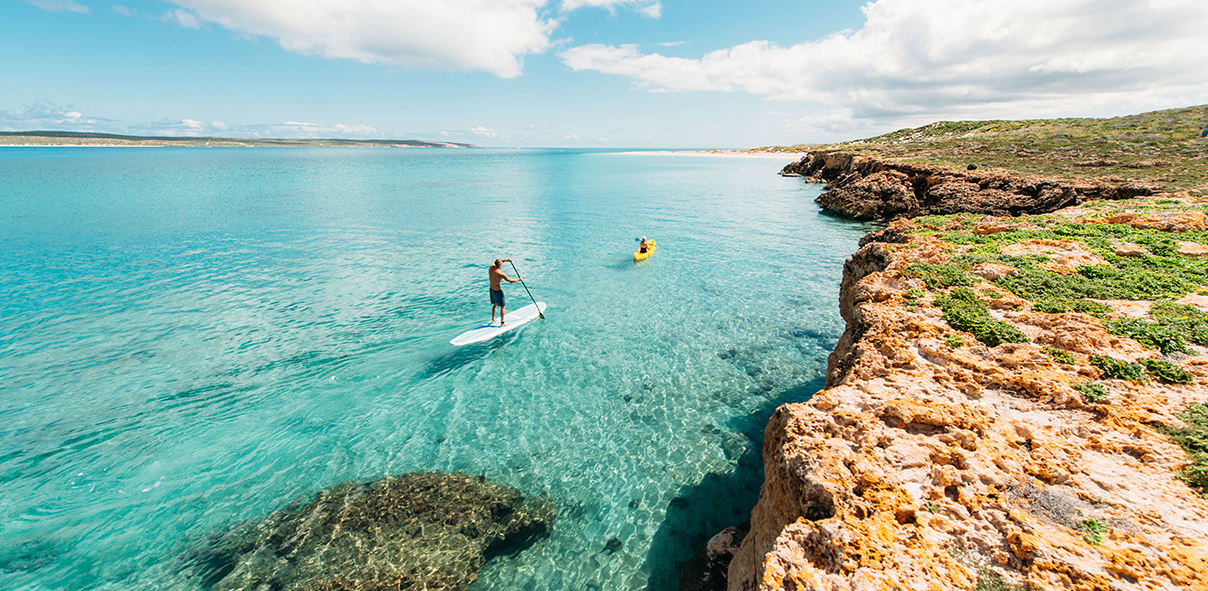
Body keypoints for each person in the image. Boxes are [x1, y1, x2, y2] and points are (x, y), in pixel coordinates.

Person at [489, 258, 522, 325]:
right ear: (499, 265)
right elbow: (510, 281)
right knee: (502, 306)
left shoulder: (491, 267)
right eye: (501, 265)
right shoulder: (500, 274)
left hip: (491, 289)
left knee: (495, 304)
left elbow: (498, 261)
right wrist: (518, 280)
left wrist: (506, 260)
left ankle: (493, 319)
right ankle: (502, 323)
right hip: (498, 291)